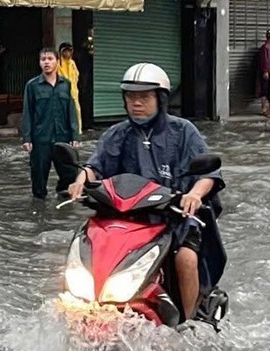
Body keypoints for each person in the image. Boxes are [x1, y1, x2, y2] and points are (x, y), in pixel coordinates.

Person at [68, 63, 225, 322]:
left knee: (186, 259)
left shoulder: (183, 131)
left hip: (174, 219)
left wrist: (194, 194)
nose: (136, 104)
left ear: (160, 99)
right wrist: (80, 181)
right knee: (87, 253)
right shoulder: (116, 134)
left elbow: (208, 174)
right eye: (130, 97)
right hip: (125, 220)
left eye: (144, 97)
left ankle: (186, 325)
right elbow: (95, 166)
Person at [21, 47, 80, 199]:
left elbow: (71, 110)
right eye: (43, 59)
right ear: (39, 63)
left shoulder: (65, 84)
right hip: (41, 140)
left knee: (69, 177)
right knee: (38, 183)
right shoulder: (32, 86)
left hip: (63, 138)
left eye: (50, 59)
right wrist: (27, 138)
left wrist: (75, 135)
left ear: (57, 61)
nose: (46, 62)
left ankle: (62, 212)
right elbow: (27, 112)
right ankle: (39, 214)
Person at [57, 42, 83, 132]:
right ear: (61, 52)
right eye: (65, 51)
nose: (68, 53)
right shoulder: (58, 64)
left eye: (69, 51)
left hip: (74, 91)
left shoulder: (72, 63)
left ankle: (77, 130)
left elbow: (76, 75)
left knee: (76, 111)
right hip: (62, 91)